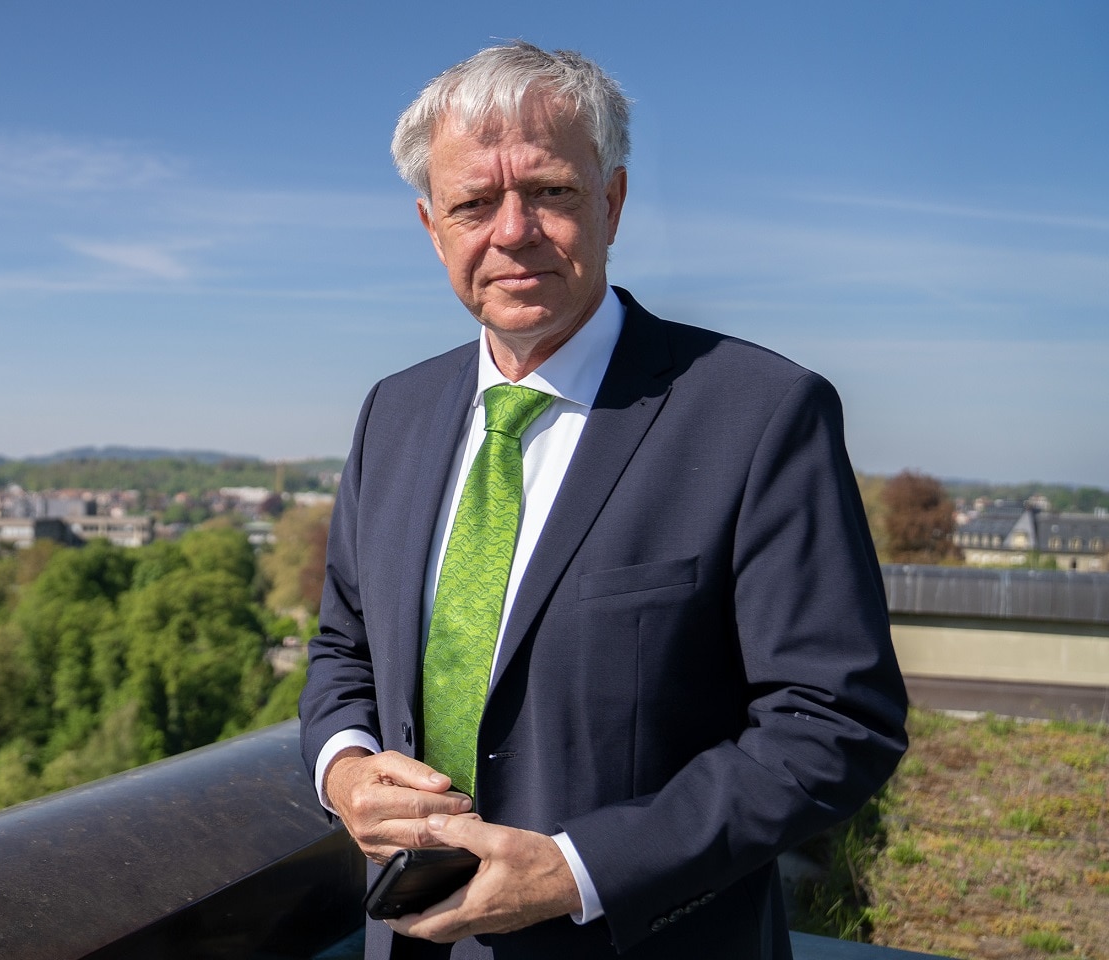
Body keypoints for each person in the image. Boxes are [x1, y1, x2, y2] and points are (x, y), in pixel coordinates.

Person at [298, 41, 908, 959]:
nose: (513, 231)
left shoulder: (759, 414)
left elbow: (836, 723)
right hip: (411, 940)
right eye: (473, 203)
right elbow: (344, 647)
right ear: (432, 225)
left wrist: (582, 869)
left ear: (613, 202)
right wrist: (343, 768)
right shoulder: (395, 411)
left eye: (550, 192)